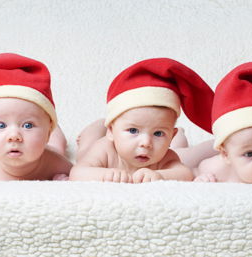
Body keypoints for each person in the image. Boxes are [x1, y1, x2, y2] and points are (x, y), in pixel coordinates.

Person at [69, 58, 214, 183]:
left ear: (171, 136)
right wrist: (105, 174)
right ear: (111, 131)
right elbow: (77, 172)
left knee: (182, 152)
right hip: (96, 140)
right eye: (133, 130)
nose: (146, 143)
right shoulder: (105, 149)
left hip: (173, 146)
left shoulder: (166, 156)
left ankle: (180, 135)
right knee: (85, 149)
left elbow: (185, 173)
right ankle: (96, 127)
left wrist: (159, 175)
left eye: (158, 133)